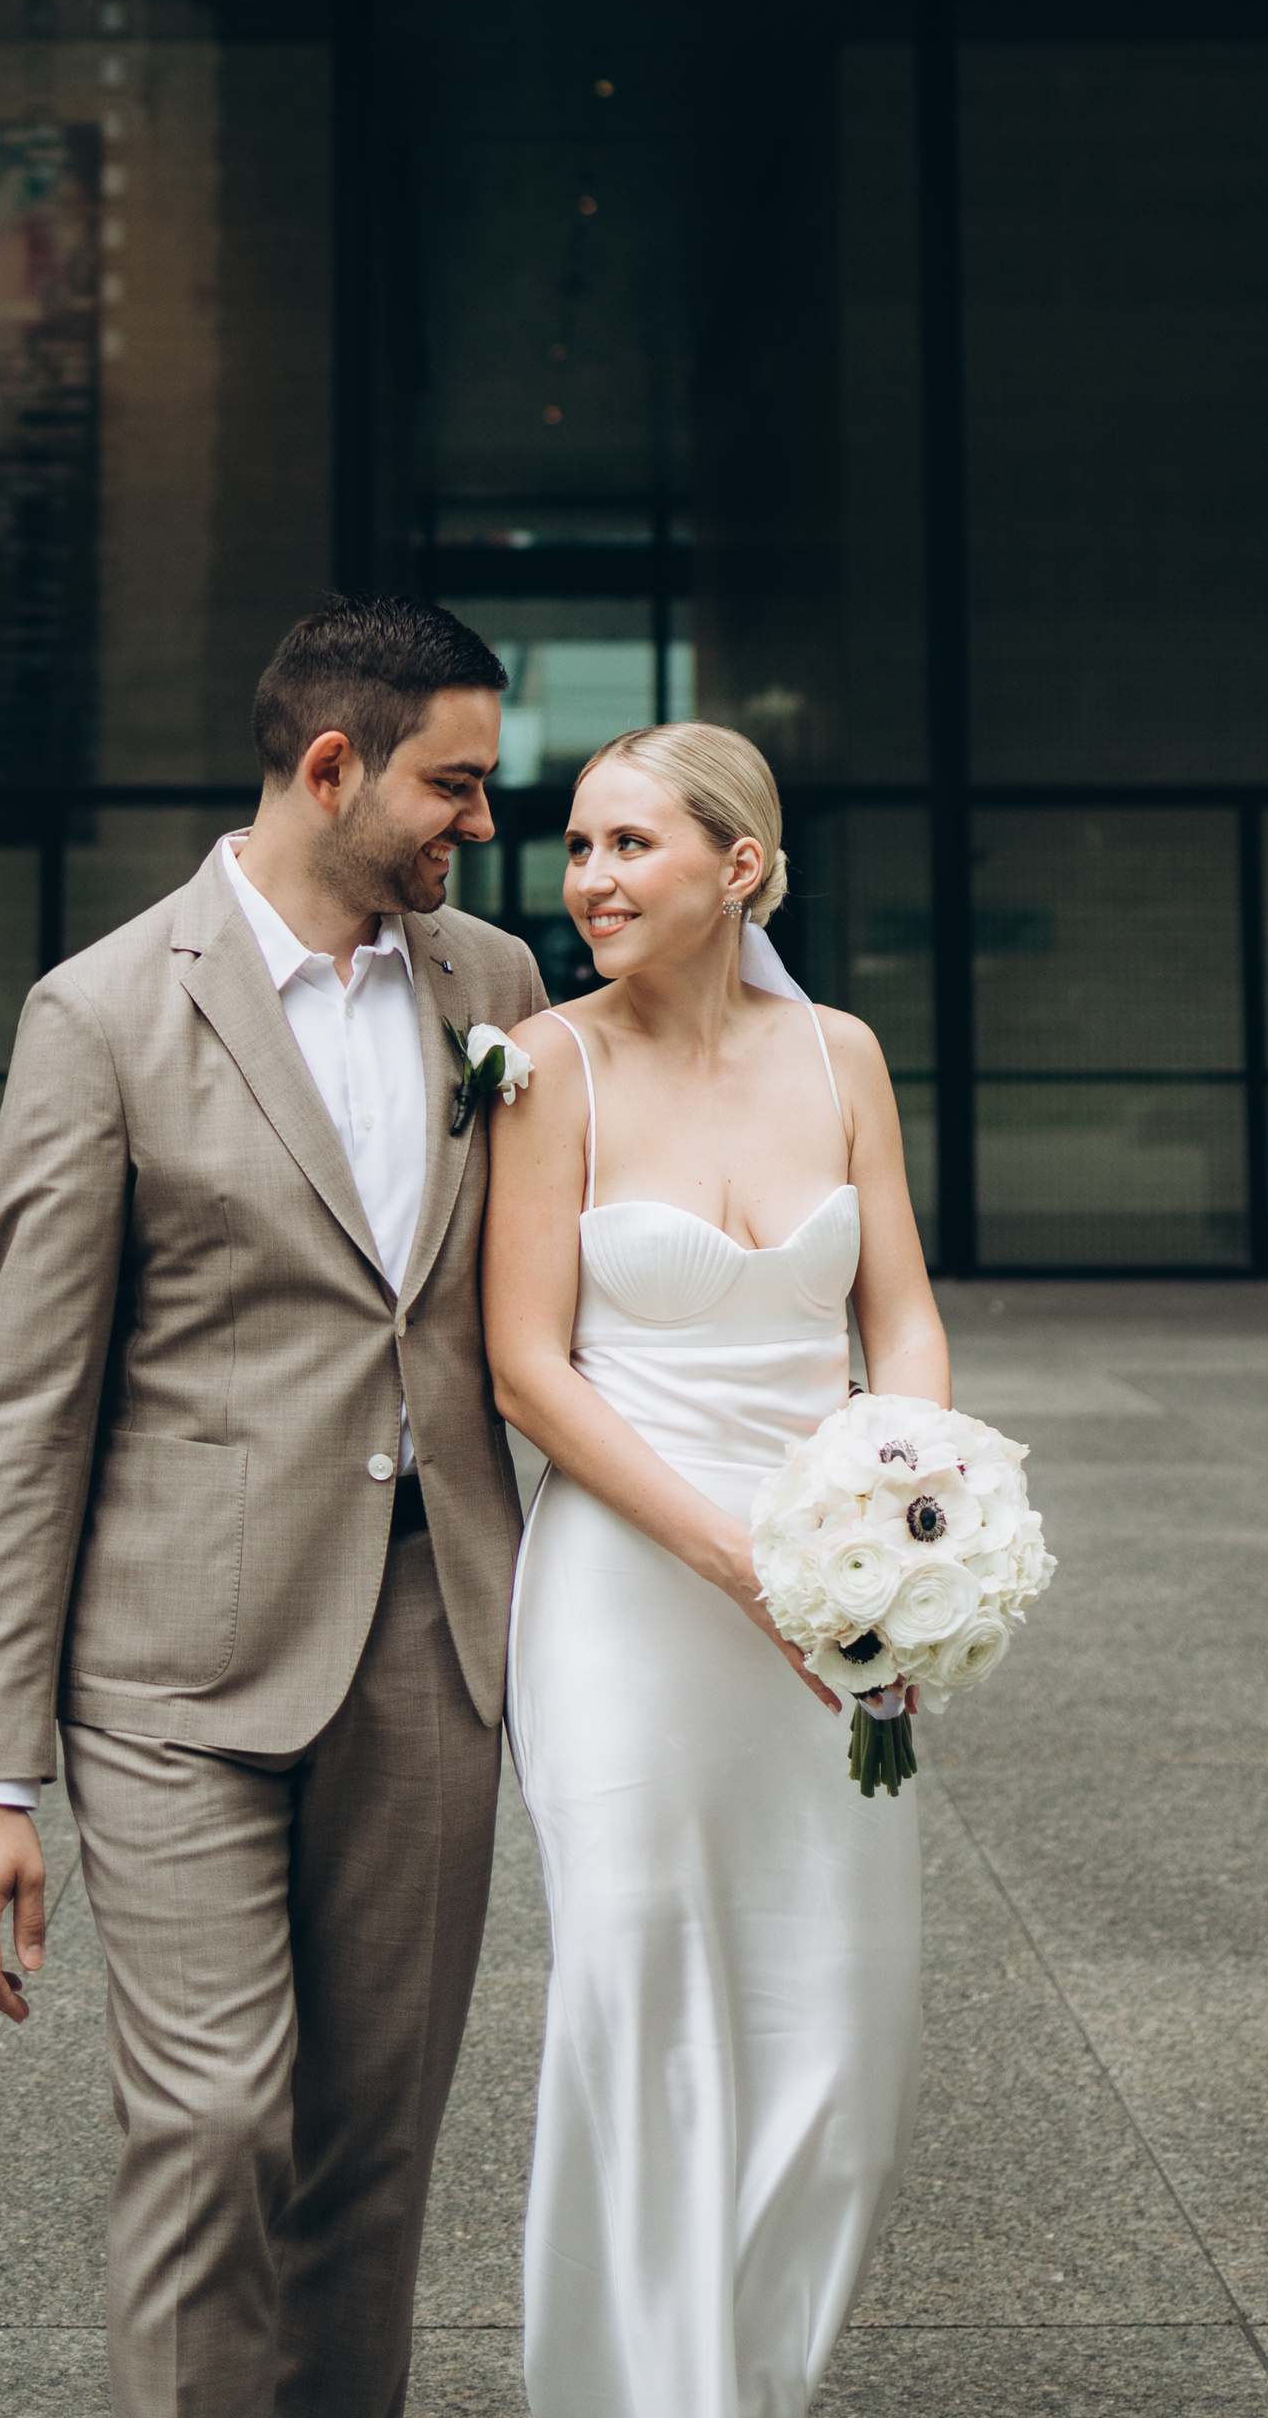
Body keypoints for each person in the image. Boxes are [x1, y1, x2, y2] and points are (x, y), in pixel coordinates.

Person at [0, 592, 546, 2418]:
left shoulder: (499, 989)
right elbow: (22, 1415)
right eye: (455, 784)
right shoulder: (102, 1012)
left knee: (375, 2145)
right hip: (173, 1671)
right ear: (332, 767)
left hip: (435, 1645)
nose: (483, 820)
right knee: (209, 2121)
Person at [483, 721, 949, 2418]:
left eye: (630, 845)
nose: (588, 880)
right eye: (577, 846)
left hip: (836, 1588)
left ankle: (751, 2382)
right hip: (626, 1590)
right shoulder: (548, 1064)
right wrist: (739, 1565)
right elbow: (526, 1366)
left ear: (739, 865)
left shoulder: (843, 1054)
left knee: (841, 2013)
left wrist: (911, 1522)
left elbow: (900, 1315)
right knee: (637, 1980)